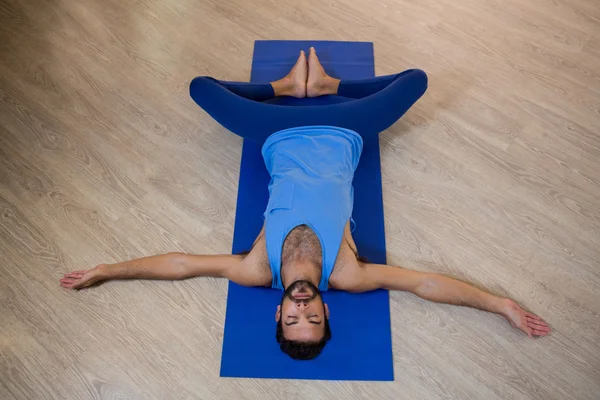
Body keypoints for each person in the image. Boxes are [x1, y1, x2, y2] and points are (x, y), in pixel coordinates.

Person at [60, 48, 550, 360]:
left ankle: (285, 89)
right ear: (325, 313)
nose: (302, 310)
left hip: (274, 135)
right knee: (417, 79)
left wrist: (109, 269)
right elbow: (423, 283)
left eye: (293, 320)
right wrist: (497, 304)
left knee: (199, 88)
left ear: (277, 314)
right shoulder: (348, 275)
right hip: (346, 130)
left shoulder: (255, 269)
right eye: (312, 319)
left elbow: (182, 264)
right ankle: (326, 88)